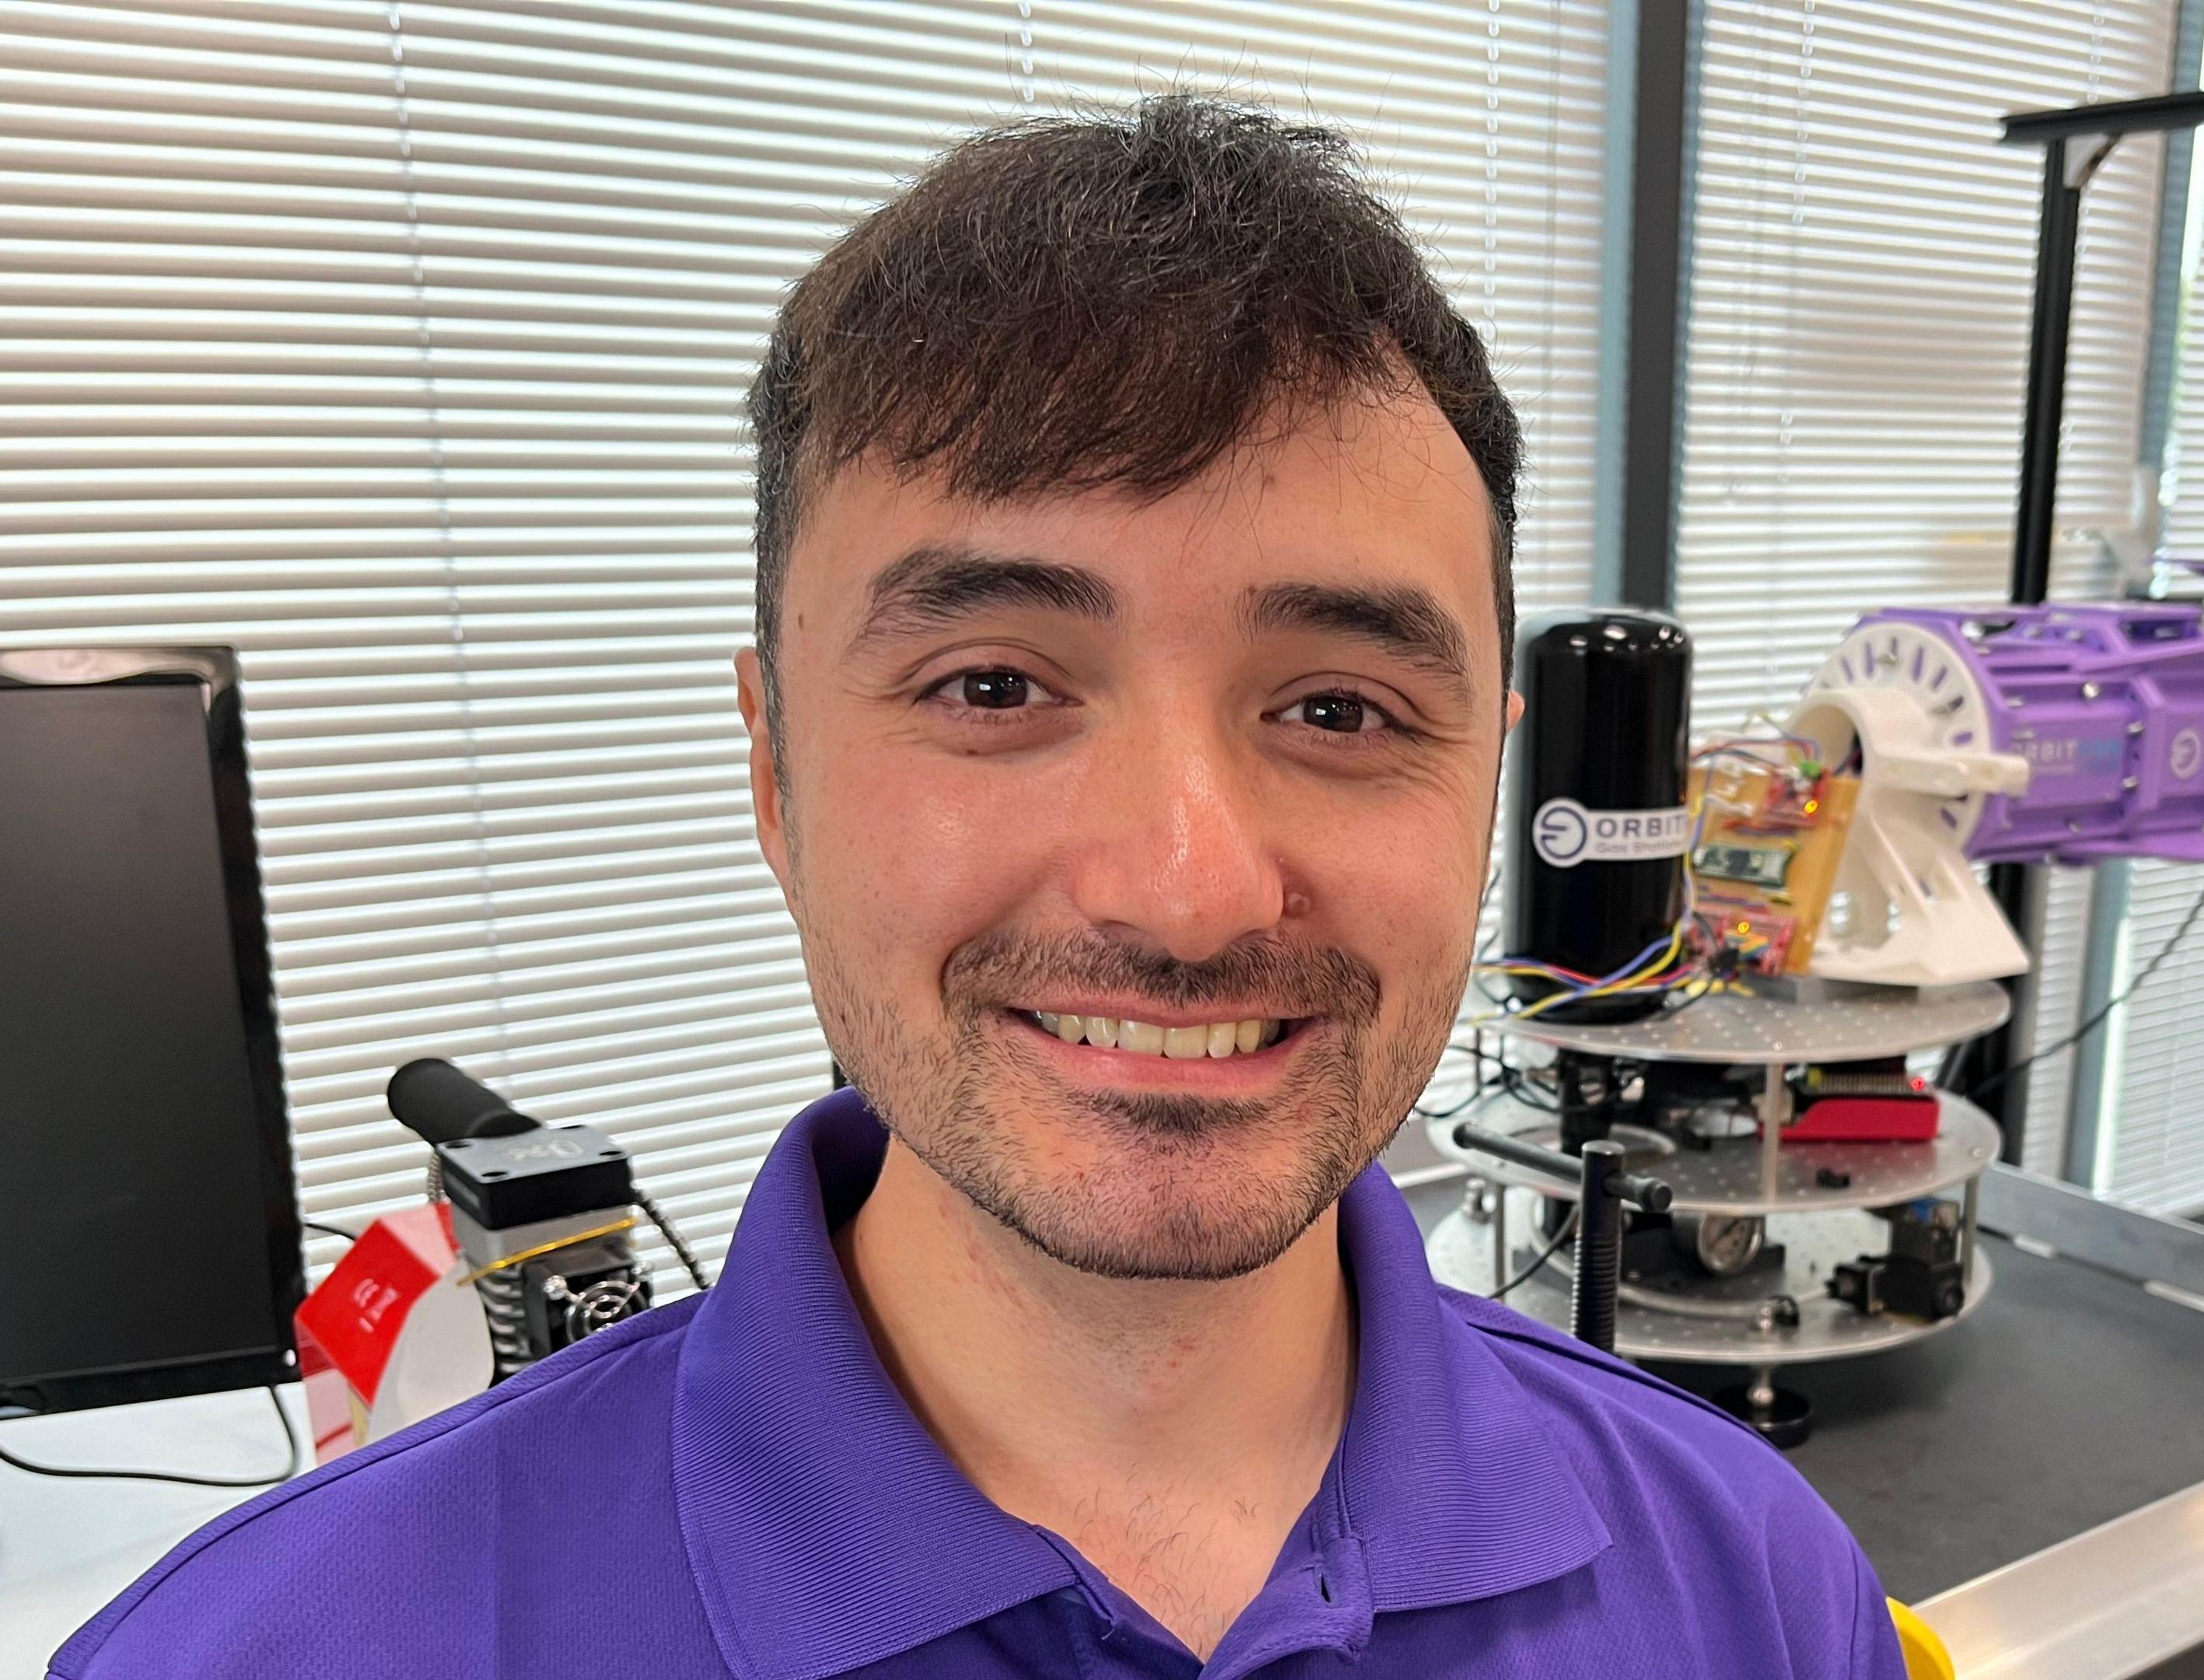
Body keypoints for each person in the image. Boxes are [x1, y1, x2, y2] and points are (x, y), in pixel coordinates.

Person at [54, 96, 1910, 1678]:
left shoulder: (1754, 1589)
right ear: (777, 768)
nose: (1186, 893)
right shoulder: (281, 1651)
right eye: (995, 687)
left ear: (1482, 775)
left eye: (1340, 706)